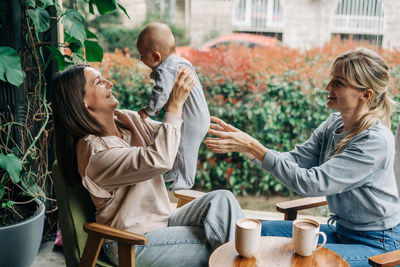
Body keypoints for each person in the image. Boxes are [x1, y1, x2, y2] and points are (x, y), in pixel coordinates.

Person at [205, 48, 400, 266]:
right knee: (265, 230)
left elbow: (311, 183)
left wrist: (255, 147)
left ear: (366, 94)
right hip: (342, 230)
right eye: (331, 80)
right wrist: (249, 148)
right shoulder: (334, 123)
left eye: (339, 83)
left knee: (302, 261)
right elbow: (295, 159)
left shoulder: (375, 141)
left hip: (377, 243)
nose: (328, 87)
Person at [51, 64, 244, 267]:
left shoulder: (127, 120)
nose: (110, 83)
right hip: (130, 242)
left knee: (223, 200)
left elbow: (175, 136)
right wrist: (174, 105)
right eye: (99, 82)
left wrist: (181, 93)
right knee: (220, 246)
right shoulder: (94, 153)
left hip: (162, 222)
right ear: (83, 102)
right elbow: (160, 158)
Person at [136, 22, 210, 191]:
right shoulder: (179, 62)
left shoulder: (167, 69)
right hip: (198, 117)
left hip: (191, 121)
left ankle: (182, 186)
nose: (140, 59)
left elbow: (160, 92)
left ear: (156, 56)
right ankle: (176, 179)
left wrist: (148, 110)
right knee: (178, 148)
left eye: (142, 55)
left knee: (183, 150)